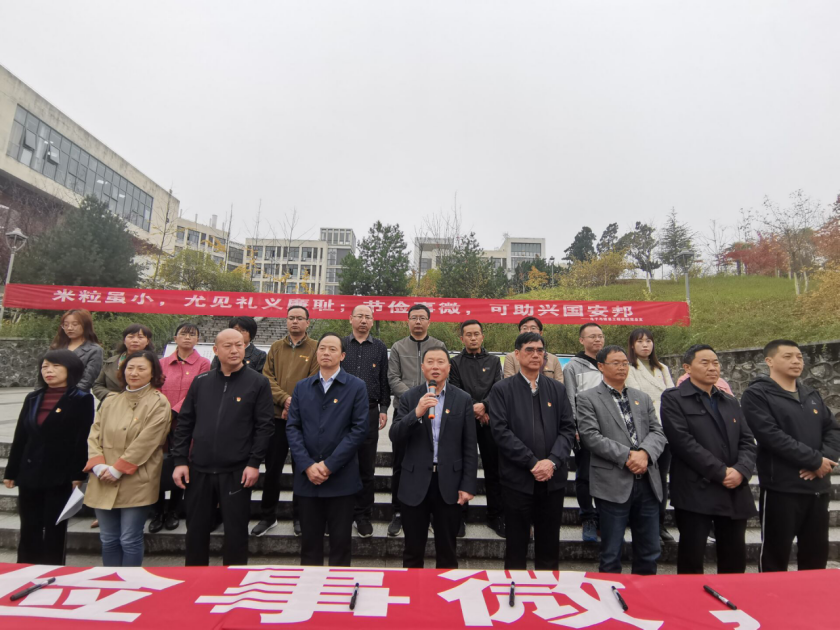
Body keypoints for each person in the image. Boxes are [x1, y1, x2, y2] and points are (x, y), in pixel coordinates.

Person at [172, 329, 274, 566]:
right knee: (196, 531)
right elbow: (185, 423)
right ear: (215, 350)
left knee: (236, 533)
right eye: (228, 346)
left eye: (239, 345)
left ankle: (233, 581)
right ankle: (195, 579)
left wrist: (254, 463)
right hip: (200, 469)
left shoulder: (258, 382)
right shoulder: (201, 382)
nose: (234, 350)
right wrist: (180, 461)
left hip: (237, 471)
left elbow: (264, 427)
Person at [741, 339, 840, 572]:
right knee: (775, 556)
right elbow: (770, 435)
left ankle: (811, 595)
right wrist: (814, 461)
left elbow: (833, 430)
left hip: (818, 487)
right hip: (781, 488)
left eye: (799, 357)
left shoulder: (811, 394)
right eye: (788, 356)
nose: (796, 361)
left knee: (816, 556)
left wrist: (823, 460)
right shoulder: (757, 394)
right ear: (769, 361)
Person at [660, 344, 757, 574]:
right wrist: (721, 472)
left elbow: (747, 440)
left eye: (715, 363)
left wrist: (741, 470)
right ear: (687, 368)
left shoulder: (729, 401)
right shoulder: (674, 399)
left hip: (733, 489)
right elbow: (683, 443)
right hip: (696, 488)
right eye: (704, 363)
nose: (712, 367)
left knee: (734, 559)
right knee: (692, 558)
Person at [489, 332, 576, 570]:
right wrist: (532, 462)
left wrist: (552, 462)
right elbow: (501, 432)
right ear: (517, 354)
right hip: (517, 480)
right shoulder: (502, 389)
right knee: (516, 546)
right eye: (529, 350)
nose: (536, 355)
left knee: (549, 545)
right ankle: (514, 588)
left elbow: (568, 429)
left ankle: (547, 589)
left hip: (552, 479)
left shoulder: (556, 389)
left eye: (540, 350)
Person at [576, 345, 666, 575]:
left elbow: (658, 432)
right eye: (615, 363)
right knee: (611, 552)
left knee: (649, 550)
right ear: (601, 366)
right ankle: (609, 593)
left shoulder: (641, 397)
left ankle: (643, 592)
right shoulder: (587, 398)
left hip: (647, 483)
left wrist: (645, 453)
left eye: (625, 363)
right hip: (612, 483)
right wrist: (628, 456)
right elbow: (590, 436)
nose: (622, 367)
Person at [4, 350, 94, 564]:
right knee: (29, 525)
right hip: (29, 471)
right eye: (45, 367)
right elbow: (21, 435)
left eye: (55, 366)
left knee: (55, 527)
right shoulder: (33, 397)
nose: (48, 371)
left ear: (70, 369)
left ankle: (53, 569)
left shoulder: (81, 399)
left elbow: (82, 438)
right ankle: (25, 567)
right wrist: (11, 471)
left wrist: (78, 474)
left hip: (60, 473)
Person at [83, 350, 171, 567]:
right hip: (103, 476)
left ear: (153, 373)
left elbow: (149, 441)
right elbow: (94, 434)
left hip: (136, 479)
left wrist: (118, 469)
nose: (134, 373)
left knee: (130, 539)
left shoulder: (159, 402)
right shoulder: (111, 400)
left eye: (141, 368)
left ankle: (130, 582)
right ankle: (111, 580)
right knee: (108, 539)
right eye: (130, 368)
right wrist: (98, 465)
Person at [391, 346, 477, 568]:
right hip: (414, 482)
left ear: (449, 367)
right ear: (422, 367)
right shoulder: (410, 397)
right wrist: (416, 413)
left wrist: (468, 484)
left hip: (449, 483)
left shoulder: (463, 399)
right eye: (430, 362)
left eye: (440, 362)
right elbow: (395, 436)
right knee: (412, 550)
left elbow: (469, 445)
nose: (435, 367)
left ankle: (446, 589)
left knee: (447, 551)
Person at [287, 333, 368, 567]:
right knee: (309, 545)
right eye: (322, 348)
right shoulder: (302, 387)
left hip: (341, 478)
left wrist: (329, 465)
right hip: (308, 478)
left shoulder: (356, 386)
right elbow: (293, 427)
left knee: (340, 544)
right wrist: (307, 465)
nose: (326, 353)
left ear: (342, 355)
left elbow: (359, 430)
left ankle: (338, 587)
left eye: (332, 349)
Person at [255, 305, 319, 537]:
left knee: (302, 468)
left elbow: (314, 379)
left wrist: (294, 407)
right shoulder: (275, 347)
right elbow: (267, 378)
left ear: (308, 322)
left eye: (300, 318)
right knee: (272, 468)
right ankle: (267, 516)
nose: (295, 321)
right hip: (277, 416)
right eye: (291, 318)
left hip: (303, 419)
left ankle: (300, 517)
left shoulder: (316, 348)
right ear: (286, 321)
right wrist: (284, 400)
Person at [386, 304, 447, 537]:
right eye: (414, 318)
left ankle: (429, 513)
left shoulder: (439, 345)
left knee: (430, 463)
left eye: (422, 318)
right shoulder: (398, 347)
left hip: (435, 411)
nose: (418, 321)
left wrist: (427, 400)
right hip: (405, 411)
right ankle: (398, 511)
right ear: (408, 321)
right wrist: (415, 400)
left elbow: (444, 374)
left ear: (429, 321)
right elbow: (393, 378)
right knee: (400, 463)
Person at [448, 319, 505, 538]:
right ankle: (460, 516)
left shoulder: (494, 361)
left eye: (476, 334)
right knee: (463, 468)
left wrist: (485, 406)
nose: (473, 338)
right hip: (464, 421)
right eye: (468, 334)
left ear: (482, 336)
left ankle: (495, 516)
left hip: (489, 421)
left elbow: (498, 388)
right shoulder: (455, 362)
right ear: (461, 338)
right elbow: (455, 388)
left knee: (494, 470)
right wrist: (475, 408)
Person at [155, 322, 211, 533]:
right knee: (158, 464)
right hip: (159, 420)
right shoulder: (161, 363)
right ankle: (157, 511)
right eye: (183, 334)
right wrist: (163, 413)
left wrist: (175, 411)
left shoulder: (204, 364)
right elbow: (155, 389)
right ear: (175, 338)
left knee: (181, 462)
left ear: (198, 339)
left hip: (187, 422)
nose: (187, 337)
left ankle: (173, 511)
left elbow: (197, 391)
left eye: (192, 334)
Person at [341, 305, 390, 538]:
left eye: (367, 317)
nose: (363, 320)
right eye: (359, 316)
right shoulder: (341, 344)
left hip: (369, 411)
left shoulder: (379, 347)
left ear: (372, 321)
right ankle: (339, 513)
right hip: (340, 411)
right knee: (339, 462)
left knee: (366, 466)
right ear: (350, 319)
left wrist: (383, 408)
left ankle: (362, 515)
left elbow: (383, 379)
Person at [624, 328, 676, 543]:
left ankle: (660, 524)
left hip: (666, 428)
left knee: (662, 478)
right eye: (640, 341)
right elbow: (639, 397)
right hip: (644, 429)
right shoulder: (629, 368)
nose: (645, 345)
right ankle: (646, 524)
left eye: (648, 341)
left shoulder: (662, 368)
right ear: (632, 345)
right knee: (646, 478)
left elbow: (672, 395)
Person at [562, 322, 605, 542]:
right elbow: (570, 398)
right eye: (592, 336)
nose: (597, 340)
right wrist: (575, 427)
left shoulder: (610, 362)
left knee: (610, 475)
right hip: (586, 430)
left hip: (612, 430)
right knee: (585, 476)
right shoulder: (573, 367)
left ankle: (606, 518)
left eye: (600, 336)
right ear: (581, 340)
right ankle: (588, 517)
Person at [93, 324, 156, 402]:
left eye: (140, 337)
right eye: (131, 337)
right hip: (111, 403)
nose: (135, 340)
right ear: (124, 340)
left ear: (148, 341)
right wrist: (111, 396)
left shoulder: (154, 363)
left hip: (142, 404)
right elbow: (98, 385)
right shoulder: (111, 361)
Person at [50, 309, 103, 393]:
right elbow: (43, 373)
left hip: (77, 396)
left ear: (85, 325)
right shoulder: (56, 347)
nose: (69, 328)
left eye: (75, 324)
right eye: (66, 325)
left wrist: (67, 395)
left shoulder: (94, 350)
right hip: (51, 394)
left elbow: (87, 380)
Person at [503, 316, 564, 382]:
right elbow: (509, 383)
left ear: (540, 333)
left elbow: (559, 383)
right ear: (520, 333)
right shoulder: (511, 358)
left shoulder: (553, 359)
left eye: (533, 328)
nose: (529, 331)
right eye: (524, 328)